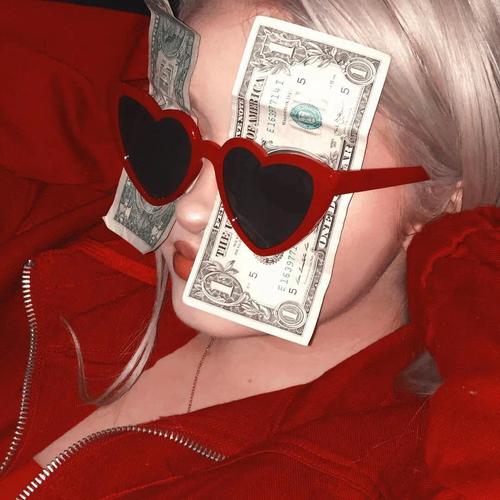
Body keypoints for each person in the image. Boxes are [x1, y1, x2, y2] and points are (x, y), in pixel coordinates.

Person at [0, 0, 498, 498]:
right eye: (175, 132)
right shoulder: (68, 242)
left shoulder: (391, 471)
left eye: (278, 176)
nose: (189, 209)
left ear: (439, 201)